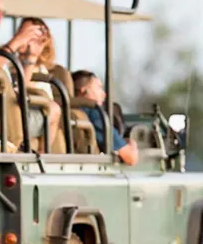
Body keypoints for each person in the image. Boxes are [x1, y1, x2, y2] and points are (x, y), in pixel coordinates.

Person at [71, 70, 138, 165]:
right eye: (98, 88)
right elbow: (130, 158)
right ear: (84, 90)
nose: (104, 94)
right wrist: (132, 144)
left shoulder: (68, 110)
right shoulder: (95, 114)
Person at [13, 17, 62, 149]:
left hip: (30, 110)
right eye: (22, 33)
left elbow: (22, 92)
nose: (25, 39)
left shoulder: (39, 70)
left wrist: (31, 58)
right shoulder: (8, 60)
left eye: (32, 36)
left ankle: (43, 153)